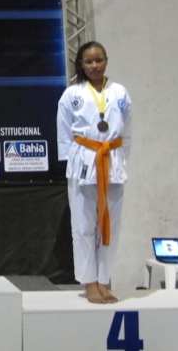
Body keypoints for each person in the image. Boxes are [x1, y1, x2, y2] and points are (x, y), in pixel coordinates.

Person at [56, 41, 132, 303]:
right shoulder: (72, 94)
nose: (94, 65)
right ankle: (89, 282)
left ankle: (103, 280)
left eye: (99, 60)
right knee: (83, 227)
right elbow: (64, 133)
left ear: (106, 60)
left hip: (112, 160)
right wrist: (72, 163)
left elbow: (127, 132)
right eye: (89, 61)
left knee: (110, 227)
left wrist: (121, 160)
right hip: (83, 162)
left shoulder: (120, 93)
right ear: (81, 64)